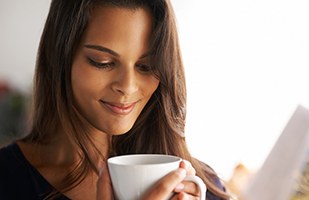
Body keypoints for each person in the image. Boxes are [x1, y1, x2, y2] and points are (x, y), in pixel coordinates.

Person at [0, 0, 230, 199]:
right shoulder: (7, 179)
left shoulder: (201, 188)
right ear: (60, 57)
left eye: (146, 66)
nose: (127, 87)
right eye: (103, 62)